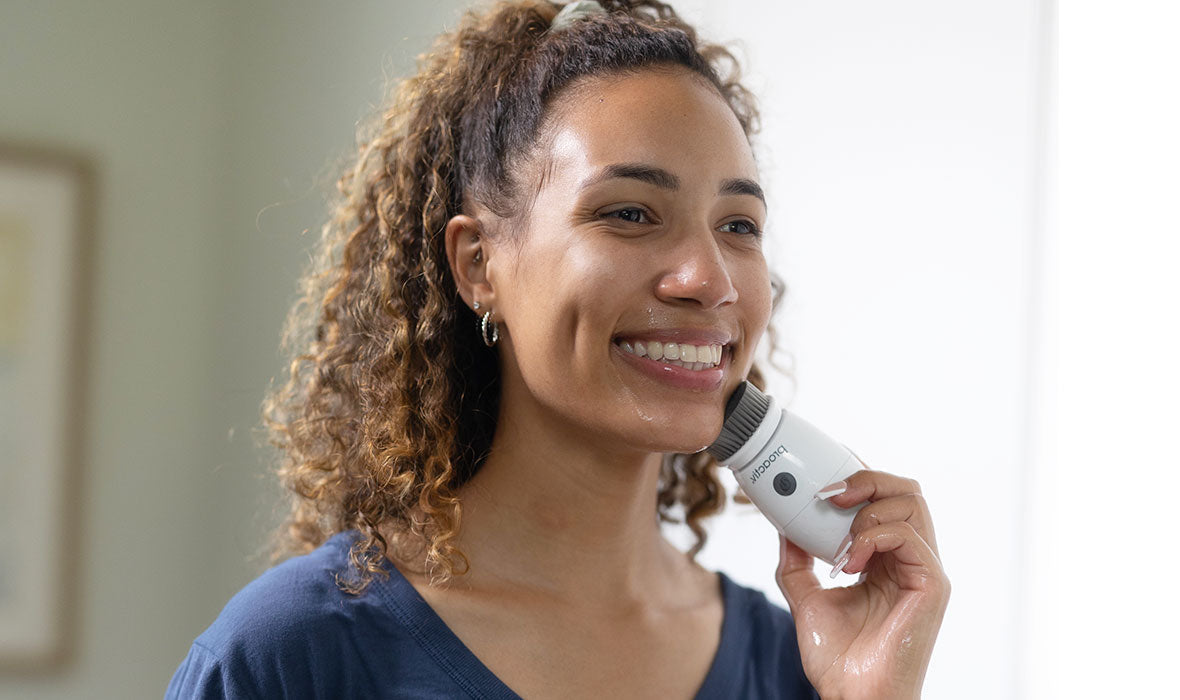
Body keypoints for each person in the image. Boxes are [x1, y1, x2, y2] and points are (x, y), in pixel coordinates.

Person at [166, 1, 950, 698]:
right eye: (631, 214)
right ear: (479, 265)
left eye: (738, 226)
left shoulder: (797, 668)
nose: (708, 278)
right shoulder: (289, 657)